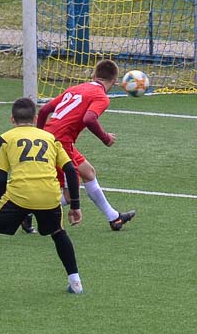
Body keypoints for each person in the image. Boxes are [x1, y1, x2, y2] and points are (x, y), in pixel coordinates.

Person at [0, 98, 84, 301]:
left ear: (12, 119)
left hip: (19, 196)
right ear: (35, 118)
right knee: (58, 232)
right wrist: (75, 205)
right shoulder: (50, 138)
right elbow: (70, 170)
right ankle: (76, 283)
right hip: (50, 195)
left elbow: (1, 178)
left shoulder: (5, 138)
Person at [35, 59, 136, 231]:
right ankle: (26, 211)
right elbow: (89, 118)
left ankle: (114, 218)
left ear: (94, 75)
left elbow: (44, 110)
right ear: (114, 81)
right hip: (61, 144)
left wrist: (38, 135)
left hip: (54, 138)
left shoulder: (76, 88)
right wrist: (105, 138)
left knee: (88, 173)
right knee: (68, 196)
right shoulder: (101, 97)